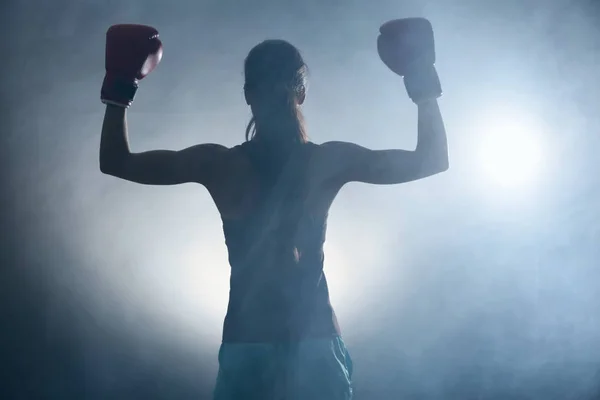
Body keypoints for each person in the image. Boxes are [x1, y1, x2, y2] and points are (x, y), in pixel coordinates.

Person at [99, 18, 448, 400]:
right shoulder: (328, 162)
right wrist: (421, 82)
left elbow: (116, 161)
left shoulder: (218, 165)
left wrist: (121, 88)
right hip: (312, 344)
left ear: (248, 93)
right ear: (302, 92)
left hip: (249, 343)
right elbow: (430, 159)